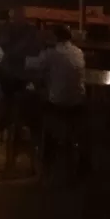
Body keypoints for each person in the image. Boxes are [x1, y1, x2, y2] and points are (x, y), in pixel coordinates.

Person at [25, 25, 87, 175]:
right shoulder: (78, 52)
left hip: (58, 102)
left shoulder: (51, 54)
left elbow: (31, 64)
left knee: (33, 104)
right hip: (78, 101)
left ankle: (45, 151)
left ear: (55, 38)